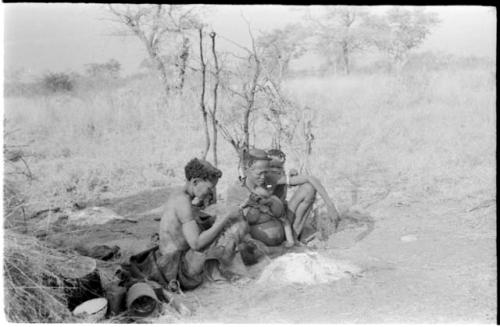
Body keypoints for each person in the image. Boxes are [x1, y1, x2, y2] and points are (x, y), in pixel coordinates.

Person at [123, 158, 249, 291]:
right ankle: (224, 274)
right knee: (234, 227)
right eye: (209, 188)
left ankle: (217, 271)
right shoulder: (183, 203)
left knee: (215, 222)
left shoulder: (180, 195)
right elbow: (197, 244)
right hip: (176, 270)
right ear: (195, 182)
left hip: (169, 260)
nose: (210, 192)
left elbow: (186, 226)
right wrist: (225, 217)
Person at [266, 149, 340, 242]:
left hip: (280, 214)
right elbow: (310, 178)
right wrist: (330, 205)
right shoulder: (271, 175)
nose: (275, 170)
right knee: (309, 187)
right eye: (272, 167)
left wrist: (291, 177)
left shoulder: (279, 174)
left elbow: (281, 187)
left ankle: (294, 236)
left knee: (309, 189)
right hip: (272, 220)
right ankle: (291, 238)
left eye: (279, 168)